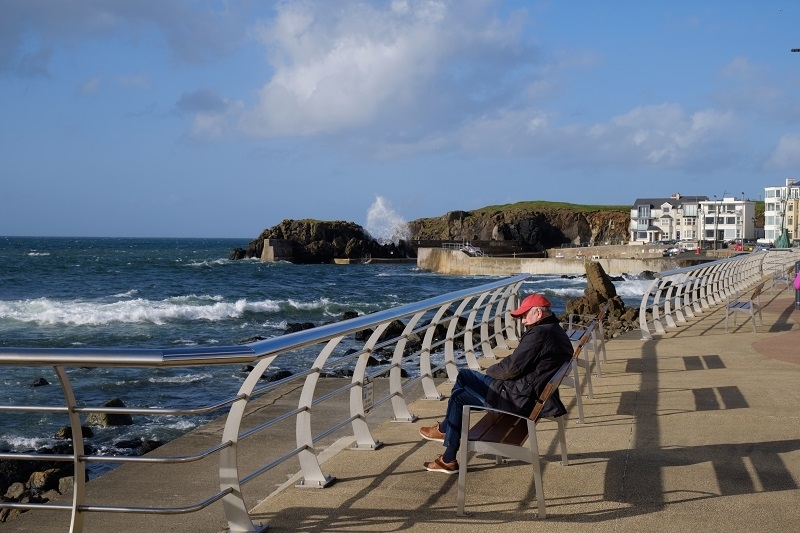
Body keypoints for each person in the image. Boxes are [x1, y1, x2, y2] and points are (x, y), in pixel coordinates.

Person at [419, 293, 574, 474]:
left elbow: (510, 369)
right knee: (459, 396)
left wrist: (490, 374)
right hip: (529, 396)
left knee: (464, 378)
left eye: (524, 316)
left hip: (516, 400)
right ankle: (448, 455)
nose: (523, 321)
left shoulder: (539, 334)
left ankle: (446, 434)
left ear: (538, 313)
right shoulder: (555, 331)